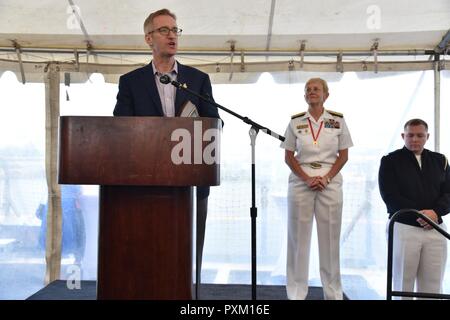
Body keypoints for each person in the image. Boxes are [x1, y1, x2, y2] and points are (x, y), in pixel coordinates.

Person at [113, 8, 221, 295]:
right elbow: (119, 130)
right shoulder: (131, 82)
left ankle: (190, 294)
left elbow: (215, 125)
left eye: (175, 30)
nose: (172, 35)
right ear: (149, 38)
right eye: (164, 30)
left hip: (192, 182)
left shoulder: (198, 79)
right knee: (149, 254)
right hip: (146, 184)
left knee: (188, 256)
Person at [280, 78, 353, 300]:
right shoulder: (295, 122)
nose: (312, 92)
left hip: (329, 181)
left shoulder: (338, 121)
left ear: (326, 95)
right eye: (308, 90)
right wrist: (306, 178)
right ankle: (296, 293)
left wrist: (327, 178)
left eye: (316, 89)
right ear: (304, 96)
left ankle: (332, 294)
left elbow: (344, 155)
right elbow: (288, 156)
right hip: (301, 181)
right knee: (298, 240)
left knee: (330, 240)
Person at [378, 118, 450, 298]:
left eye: (420, 135)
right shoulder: (390, 161)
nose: (415, 139)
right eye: (410, 135)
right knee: (403, 282)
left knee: (433, 285)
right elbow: (390, 196)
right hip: (404, 227)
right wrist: (420, 215)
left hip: (436, 229)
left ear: (427, 137)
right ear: (403, 136)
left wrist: (435, 213)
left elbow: (448, 193)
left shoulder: (440, 161)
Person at [36, 185, 86, 265]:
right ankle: (77, 260)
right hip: (68, 208)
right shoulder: (76, 186)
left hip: (55, 205)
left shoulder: (54, 183)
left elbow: (39, 213)